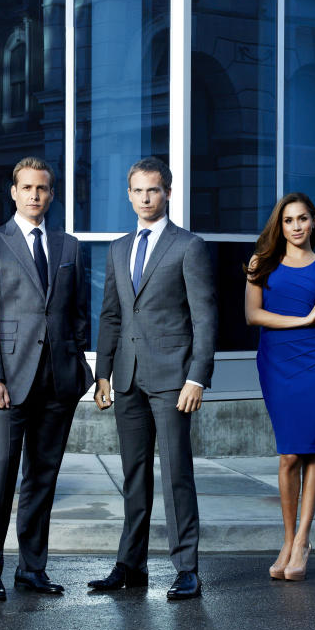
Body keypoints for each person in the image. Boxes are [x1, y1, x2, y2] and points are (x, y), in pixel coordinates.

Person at [89, 157, 216, 600]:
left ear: (167, 193)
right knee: (133, 474)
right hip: (126, 377)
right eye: (138, 191)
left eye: (154, 190)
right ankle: (130, 565)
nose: (146, 198)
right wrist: (101, 372)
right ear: (129, 195)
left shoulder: (188, 246)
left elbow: (204, 318)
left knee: (176, 473)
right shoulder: (118, 248)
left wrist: (197, 378)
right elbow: (110, 314)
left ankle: (186, 568)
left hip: (173, 379)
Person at [0, 156, 94, 601]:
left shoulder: (69, 246)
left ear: (51, 194)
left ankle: (32, 568)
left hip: (58, 380)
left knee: (43, 476)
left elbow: (79, 312)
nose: (35, 195)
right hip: (9, 380)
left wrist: (77, 361)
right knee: (2, 472)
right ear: (14, 192)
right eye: (27, 188)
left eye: (42, 188)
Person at [244, 193, 315, 582]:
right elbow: (252, 315)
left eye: (303, 219)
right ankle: (287, 539)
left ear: (313, 223)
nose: (297, 226)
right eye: (289, 220)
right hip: (276, 362)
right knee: (288, 455)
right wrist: (300, 320)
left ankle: (302, 539)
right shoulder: (260, 263)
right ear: (280, 225)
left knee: (311, 448)